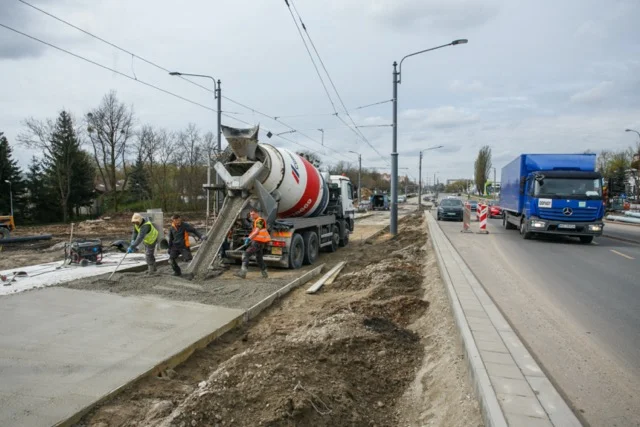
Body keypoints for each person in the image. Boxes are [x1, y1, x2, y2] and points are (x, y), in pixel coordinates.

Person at [235, 208, 270, 279]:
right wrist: (250, 238)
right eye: (251, 214)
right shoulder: (256, 221)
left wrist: (249, 238)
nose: (252, 216)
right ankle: (265, 273)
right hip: (258, 242)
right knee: (259, 258)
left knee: (246, 254)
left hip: (258, 242)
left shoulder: (260, 220)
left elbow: (257, 231)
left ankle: (243, 273)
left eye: (253, 214)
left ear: (257, 213)